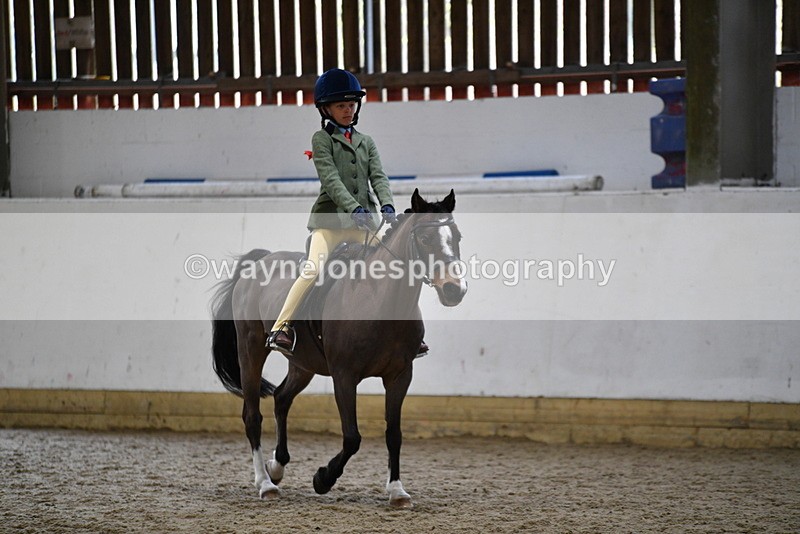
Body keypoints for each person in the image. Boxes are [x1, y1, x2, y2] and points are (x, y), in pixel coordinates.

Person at [266, 68, 428, 358]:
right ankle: (282, 327)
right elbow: (331, 181)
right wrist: (355, 208)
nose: (348, 110)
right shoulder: (321, 140)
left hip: (366, 221)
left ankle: (410, 335)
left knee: (398, 264)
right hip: (330, 223)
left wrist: (387, 203)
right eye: (341, 105)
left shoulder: (367, 142)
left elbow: (378, 176)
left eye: (352, 104)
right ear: (326, 108)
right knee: (312, 270)